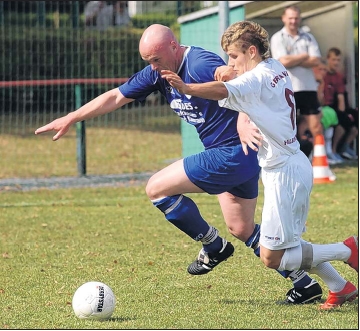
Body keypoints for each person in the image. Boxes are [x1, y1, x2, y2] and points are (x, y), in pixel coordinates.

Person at [35, 23, 321, 304]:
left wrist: (244, 120)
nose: (154, 66)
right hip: (240, 158)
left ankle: (213, 244)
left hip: (231, 153)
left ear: (174, 46)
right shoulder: (156, 72)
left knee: (156, 188)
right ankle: (304, 283)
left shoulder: (199, 62)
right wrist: (72, 117)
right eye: (148, 61)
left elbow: (237, 81)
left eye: (157, 59)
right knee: (242, 228)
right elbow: (115, 96)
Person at [160, 20, 358, 310]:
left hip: (286, 174)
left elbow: (222, 90)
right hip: (287, 168)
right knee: (290, 246)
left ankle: (348, 249)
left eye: (235, 56)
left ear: (252, 51)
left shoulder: (254, 80)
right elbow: (249, 98)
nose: (231, 63)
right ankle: (340, 288)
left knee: (272, 257)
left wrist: (187, 86)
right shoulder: (275, 67)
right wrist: (242, 115)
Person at [270, 6, 326, 160]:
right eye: (290, 18)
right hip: (287, 89)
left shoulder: (308, 37)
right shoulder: (278, 37)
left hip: (308, 88)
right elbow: (283, 61)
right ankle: (290, 160)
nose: (293, 21)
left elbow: (316, 60)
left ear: (300, 18)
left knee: (315, 125)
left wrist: (293, 59)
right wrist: (303, 56)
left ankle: (320, 160)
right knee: (289, 127)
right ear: (284, 18)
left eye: (296, 18)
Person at [323, 47, 358, 160]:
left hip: (336, 106)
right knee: (342, 120)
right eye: (334, 59)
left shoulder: (338, 76)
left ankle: (345, 147)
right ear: (328, 59)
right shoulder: (323, 74)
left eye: (338, 60)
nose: (336, 62)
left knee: (353, 119)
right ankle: (333, 150)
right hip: (325, 106)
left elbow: (341, 96)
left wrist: (343, 113)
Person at [312, 59, 342, 164]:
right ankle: (317, 154)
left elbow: (321, 101)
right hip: (306, 111)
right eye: (320, 69)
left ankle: (328, 152)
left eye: (324, 70)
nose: (322, 72)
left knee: (330, 113)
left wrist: (321, 86)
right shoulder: (309, 82)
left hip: (316, 108)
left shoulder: (322, 82)